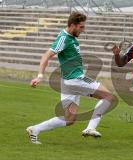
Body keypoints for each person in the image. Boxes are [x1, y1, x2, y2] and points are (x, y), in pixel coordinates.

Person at [27, 12, 115, 144]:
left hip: (68, 82)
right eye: (81, 27)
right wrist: (40, 76)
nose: (83, 30)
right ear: (73, 25)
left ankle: (35, 129)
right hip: (76, 79)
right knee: (109, 97)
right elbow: (46, 55)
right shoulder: (64, 38)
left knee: (69, 119)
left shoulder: (71, 38)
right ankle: (90, 128)